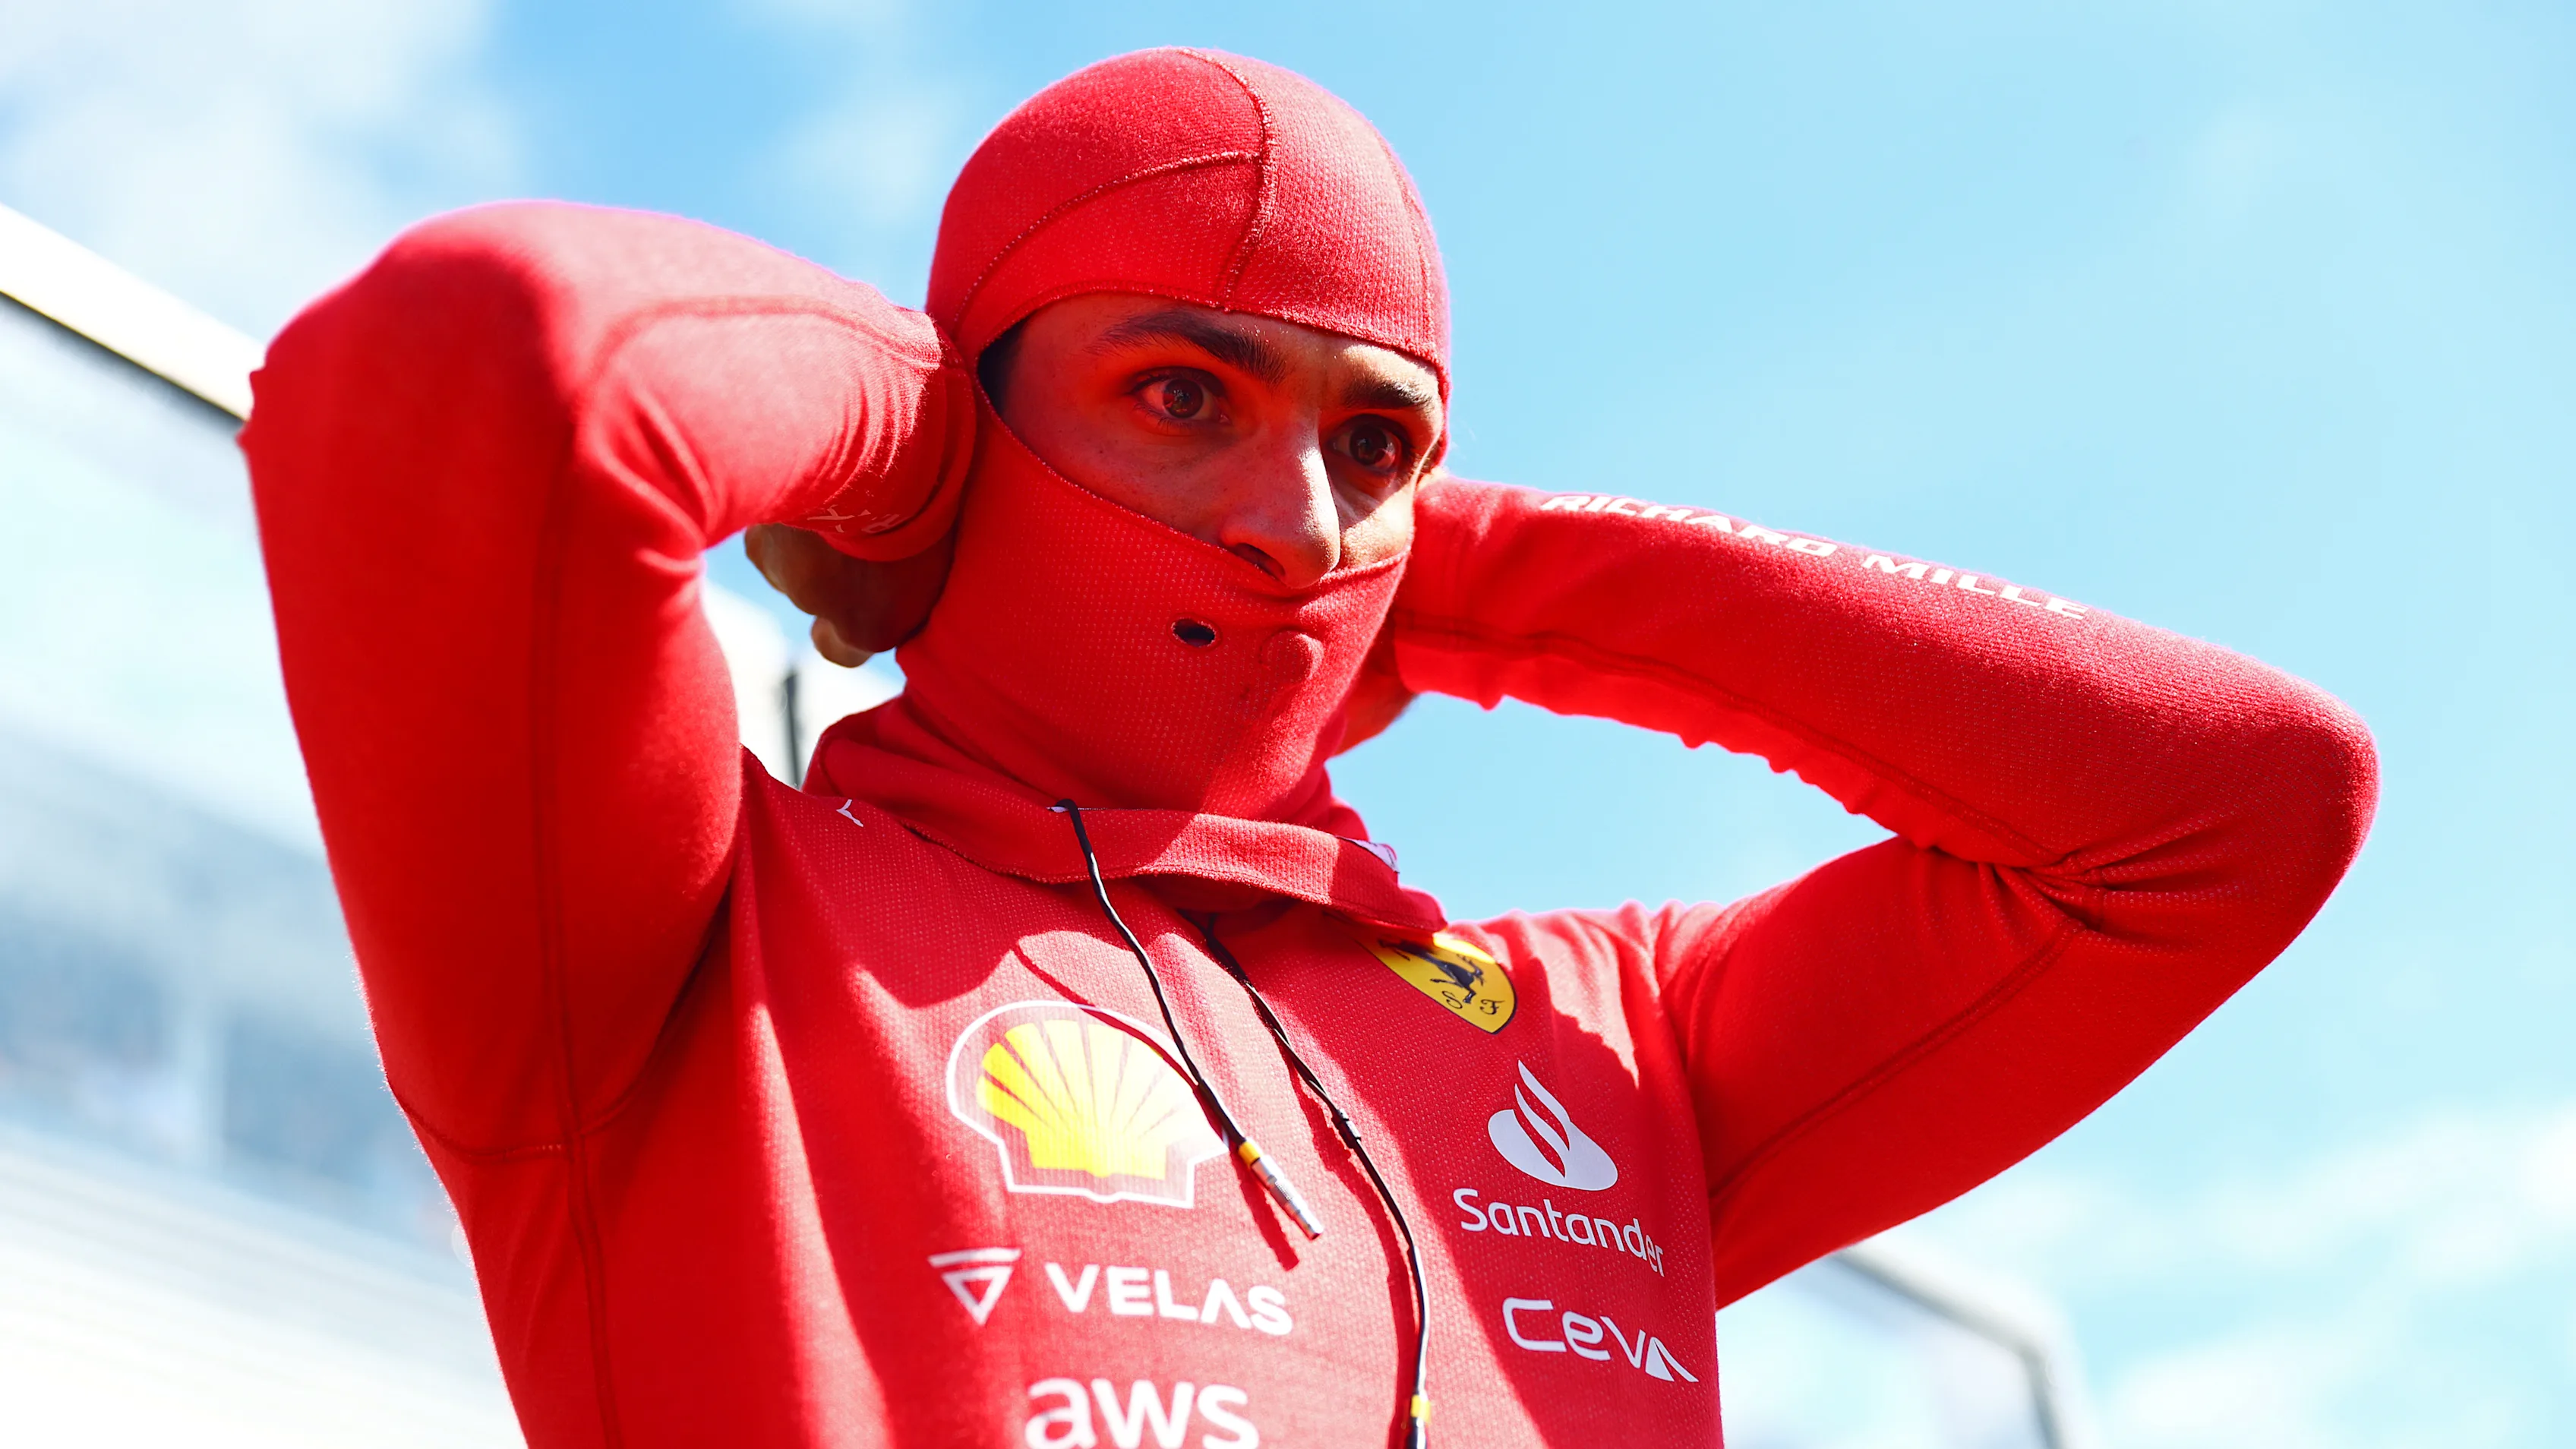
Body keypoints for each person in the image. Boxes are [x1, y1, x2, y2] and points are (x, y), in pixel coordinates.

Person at [243, 46, 2376, 1449]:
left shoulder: (1615, 1045)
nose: (1297, 526)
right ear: (979, 416)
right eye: (1183, 393)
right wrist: (908, 450)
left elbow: (2245, 805)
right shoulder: (690, 933)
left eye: (1375, 442)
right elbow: (481, 371)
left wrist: (1493, 574)